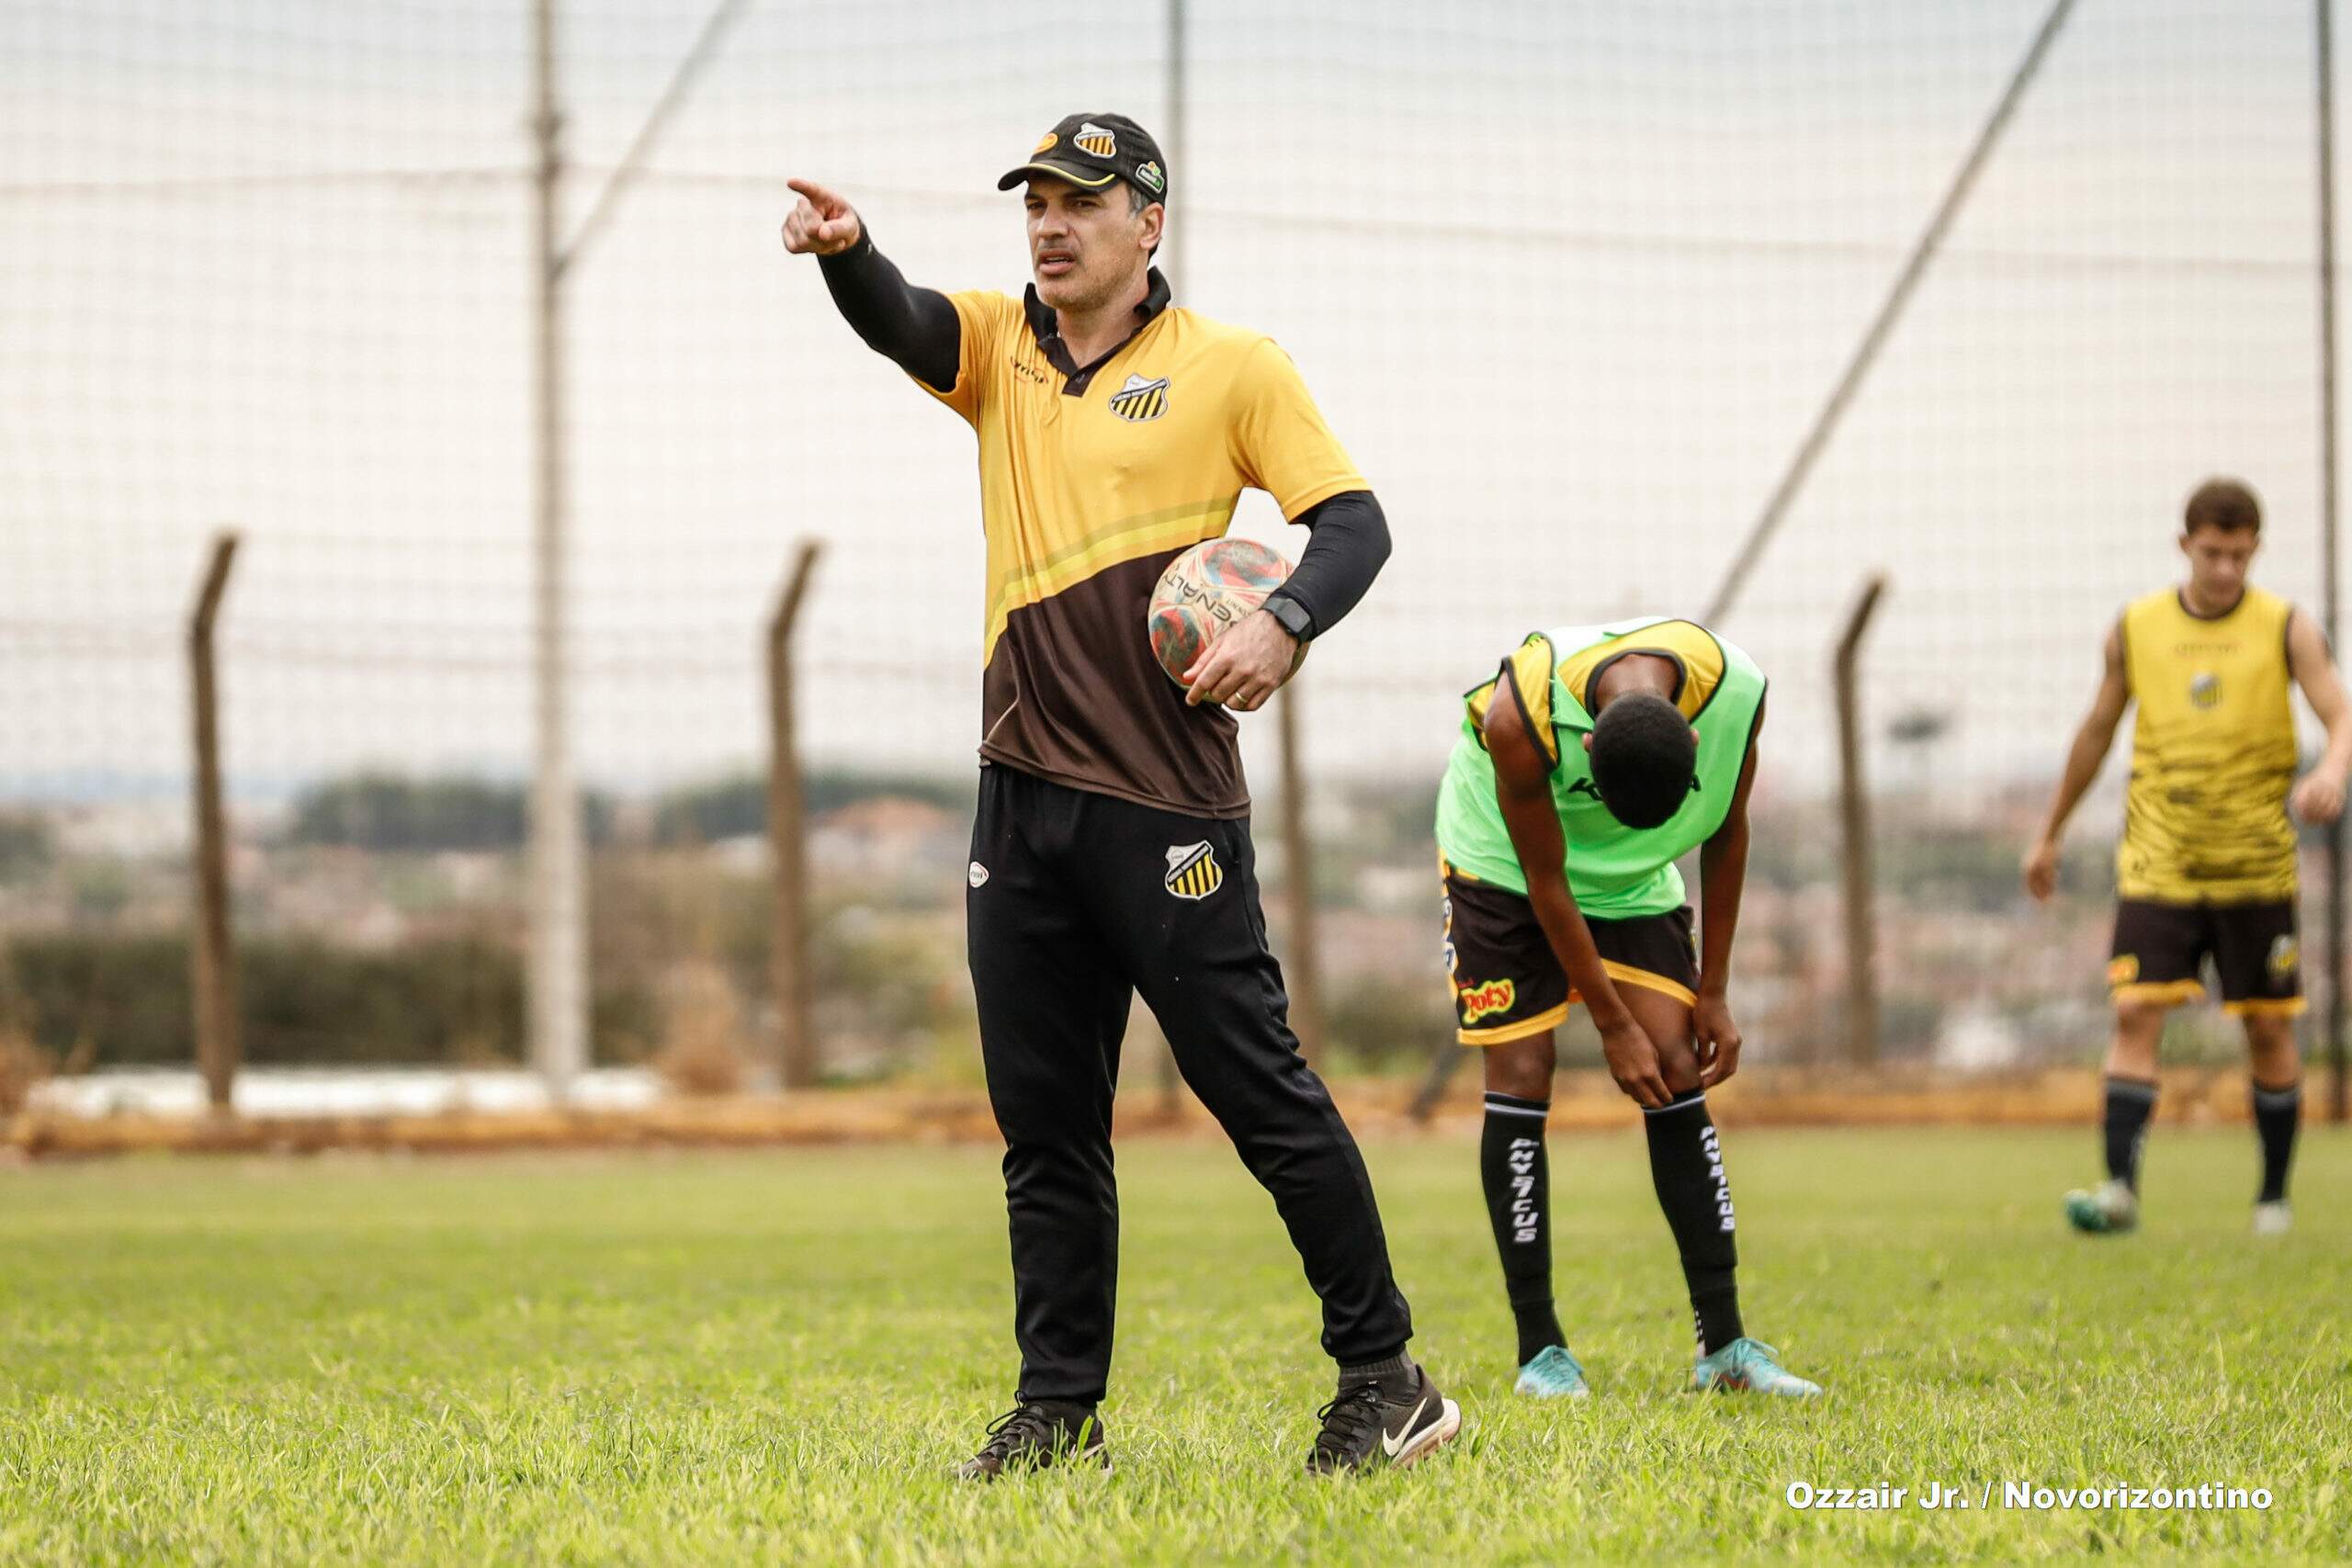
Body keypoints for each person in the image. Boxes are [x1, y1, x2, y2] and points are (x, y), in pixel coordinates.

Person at [781, 112, 1459, 1476]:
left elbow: (1355, 521)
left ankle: (1388, 1378)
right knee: (1045, 1125)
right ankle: (1058, 1410)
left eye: (1080, 201)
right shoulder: (1002, 351)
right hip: (1018, 798)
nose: (1049, 223)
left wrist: (1285, 624)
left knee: (1257, 1091)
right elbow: (905, 318)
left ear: (1149, 220)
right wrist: (848, 254)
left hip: (1165, 802)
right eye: (1035, 200)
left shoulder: (1231, 368)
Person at [1431, 615, 1822, 1400]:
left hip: (1634, 880)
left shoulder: (1739, 697)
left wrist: (1713, 989)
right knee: (1522, 1068)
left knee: (1678, 1063)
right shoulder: (1519, 720)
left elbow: (1728, 833)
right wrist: (1611, 1024)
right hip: (1504, 862)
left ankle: (1726, 1346)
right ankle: (1540, 1350)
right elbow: (1549, 880)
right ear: (1585, 759)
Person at [2024, 478, 2351, 1236]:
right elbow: (2097, 730)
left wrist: (2331, 771)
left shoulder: (2286, 626)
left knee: (2268, 1027)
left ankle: (2273, 1199)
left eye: (2240, 555)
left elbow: (2336, 711)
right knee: (2136, 1008)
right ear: (2185, 546)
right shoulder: (2137, 627)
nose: (2227, 569)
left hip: (2256, 867)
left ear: (2255, 550)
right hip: (2159, 860)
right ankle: (2120, 1191)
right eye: (2213, 553)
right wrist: (2050, 831)